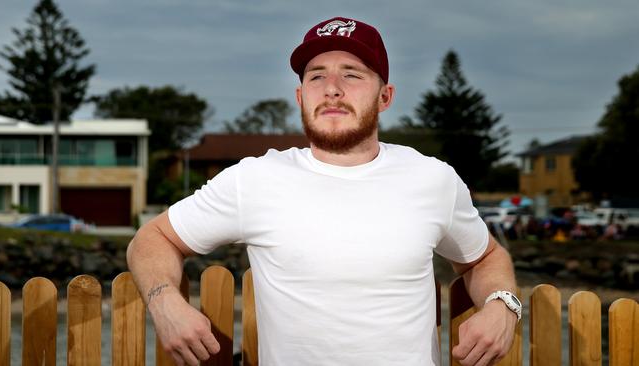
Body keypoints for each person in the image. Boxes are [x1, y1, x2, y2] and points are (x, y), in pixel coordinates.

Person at [127, 16, 519, 366]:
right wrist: (166, 306)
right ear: (301, 97)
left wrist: (503, 305)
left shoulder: (432, 179)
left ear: (385, 97)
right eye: (316, 75)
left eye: (352, 73)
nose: (331, 88)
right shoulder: (255, 179)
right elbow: (153, 238)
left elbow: (483, 258)